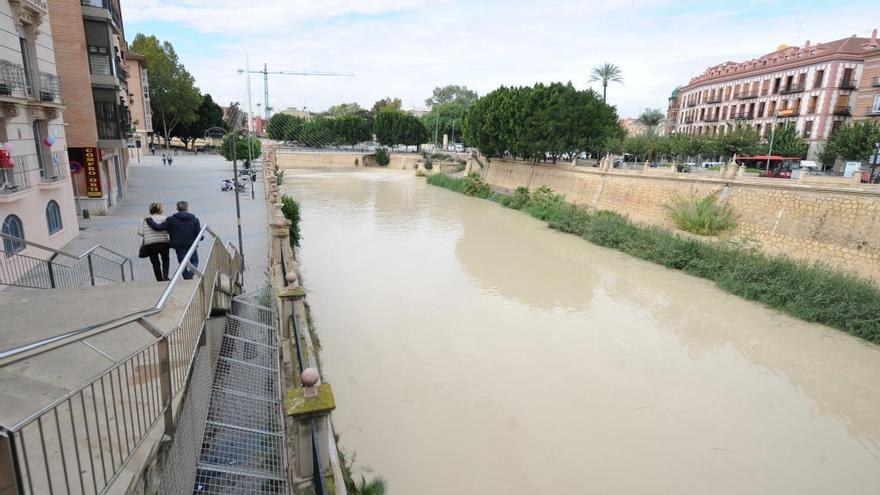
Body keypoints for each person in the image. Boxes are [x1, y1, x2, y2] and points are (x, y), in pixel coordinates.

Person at [146, 201, 201, 280]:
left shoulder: (171, 219)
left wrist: (149, 220)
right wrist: (201, 237)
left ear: (177, 208)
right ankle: (189, 275)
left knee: (182, 262)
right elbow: (198, 233)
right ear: (187, 208)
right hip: (191, 245)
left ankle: (187, 276)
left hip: (179, 246)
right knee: (195, 261)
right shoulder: (195, 219)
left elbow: (158, 228)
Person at [138, 202, 171, 281]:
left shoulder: (146, 220)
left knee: (155, 263)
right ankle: (165, 276)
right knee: (165, 259)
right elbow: (168, 231)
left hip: (151, 244)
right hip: (164, 242)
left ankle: (159, 279)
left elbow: (140, 233)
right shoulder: (165, 218)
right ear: (160, 210)